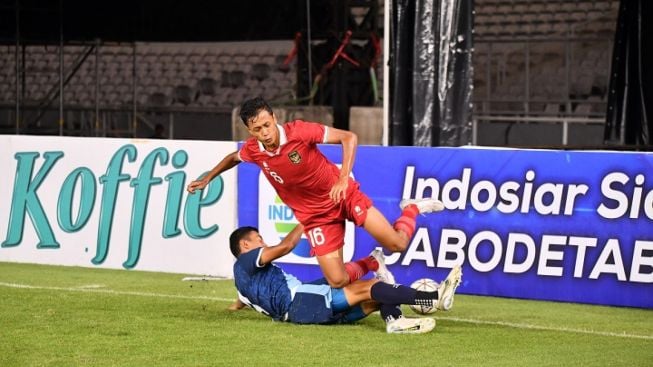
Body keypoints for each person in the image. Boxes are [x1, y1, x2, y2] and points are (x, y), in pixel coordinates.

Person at [187, 97, 444, 287]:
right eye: (257, 129)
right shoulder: (254, 150)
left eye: (267, 124)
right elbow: (234, 157)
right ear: (249, 131)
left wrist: (343, 179)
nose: (265, 133)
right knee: (337, 280)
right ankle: (373, 263)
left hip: (342, 195)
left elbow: (349, 138)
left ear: (274, 118)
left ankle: (410, 208)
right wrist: (208, 177)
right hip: (316, 217)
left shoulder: (299, 131)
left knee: (397, 244)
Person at [228, 225, 463, 334]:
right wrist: (306, 222)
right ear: (246, 245)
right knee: (371, 286)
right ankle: (433, 297)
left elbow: (241, 300)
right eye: (259, 239)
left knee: (374, 297)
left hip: (305, 309)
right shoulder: (248, 259)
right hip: (301, 302)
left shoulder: (241, 282)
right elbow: (287, 245)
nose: (264, 243)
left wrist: (233, 308)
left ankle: (396, 321)